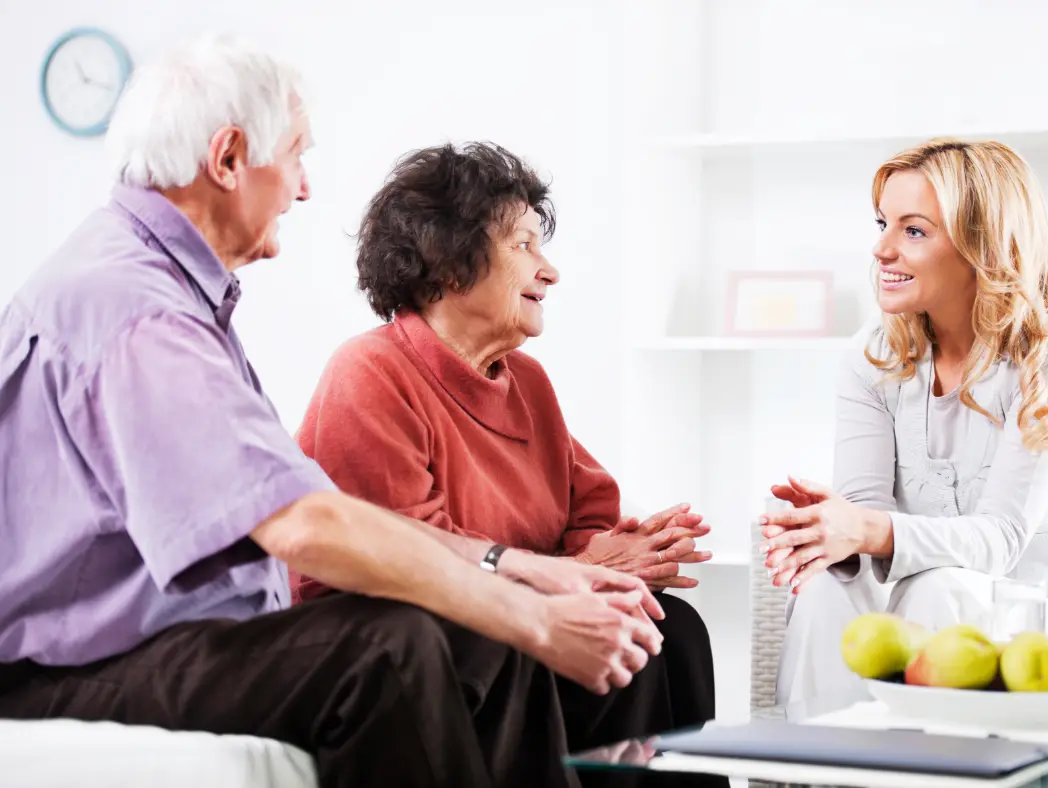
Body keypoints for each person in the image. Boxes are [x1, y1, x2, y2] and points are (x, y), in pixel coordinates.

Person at [0, 35, 666, 788]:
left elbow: (309, 503)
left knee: (480, 637)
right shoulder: (135, 310)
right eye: (294, 157)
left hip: (157, 644)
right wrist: (534, 615)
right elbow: (305, 526)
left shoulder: (163, 292)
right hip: (63, 670)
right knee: (395, 649)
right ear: (227, 160)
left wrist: (519, 575)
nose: (305, 188)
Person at [290, 141, 721, 782]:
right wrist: (576, 572)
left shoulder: (526, 381)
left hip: (511, 612)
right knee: (554, 639)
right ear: (448, 265)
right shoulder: (371, 372)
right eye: (524, 246)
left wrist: (620, 554)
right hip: (406, 633)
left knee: (668, 628)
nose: (549, 272)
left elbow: (587, 506)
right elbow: (411, 556)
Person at [763, 138, 1048, 719]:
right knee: (828, 589)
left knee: (940, 589)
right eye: (882, 224)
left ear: (983, 245)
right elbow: (870, 532)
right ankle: (804, 771)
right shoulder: (871, 357)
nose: (881, 249)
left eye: (913, 231)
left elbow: (998, 540)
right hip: (941, 617)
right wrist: (831, 533)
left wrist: (866, 528)